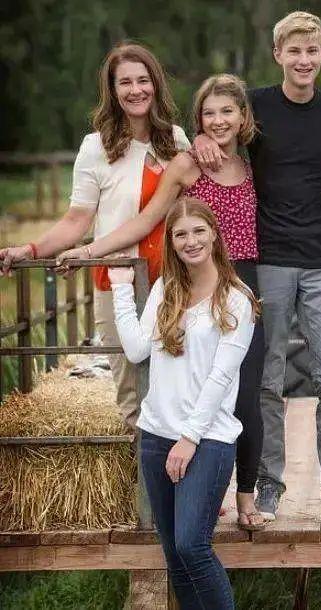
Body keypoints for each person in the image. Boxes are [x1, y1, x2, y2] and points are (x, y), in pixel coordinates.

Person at [57, 74, 265, 530]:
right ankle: (198, 490)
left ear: (243, 117)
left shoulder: (252, 165)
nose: (218, 120)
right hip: (193, 280)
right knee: (193, 383)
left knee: (247, 393)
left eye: (227, 111)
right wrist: (90, 251)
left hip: (242, 280)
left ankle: (246, 496)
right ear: (198, 121)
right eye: (208, 113)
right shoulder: (188, 163)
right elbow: (148, 218)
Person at [192, 12, 321, 522]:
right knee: (268, 379)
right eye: (294, 51)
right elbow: (215, 122)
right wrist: (197, 138)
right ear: (278, 55)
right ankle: (268, 481)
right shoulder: (257, 106)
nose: (304, 60)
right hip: (269, 260)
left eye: (312, 51)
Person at [0, 42, 190, 429]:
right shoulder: (96, 147)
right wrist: (31, 249)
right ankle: (139, 470)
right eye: (125, 82)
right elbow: (77, 220)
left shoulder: (176, 141)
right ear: (113, 90)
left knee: (178, 385)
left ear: (156, 84)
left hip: (173, 280)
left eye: (143, 80)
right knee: (132, 394)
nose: (136, 90)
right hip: (117, 282)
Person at [109, 197, 256, 610]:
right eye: (180, 234)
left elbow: (220, 378)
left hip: (207, 439)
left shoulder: (237, 299)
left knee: (192, 545)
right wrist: (121, 289)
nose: (191, 241)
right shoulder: (165, 289)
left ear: (214, 234)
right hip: (156, 434)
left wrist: (189, 438)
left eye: (198, 231)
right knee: (174, 553)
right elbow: (137, 349)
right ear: (171, 242)